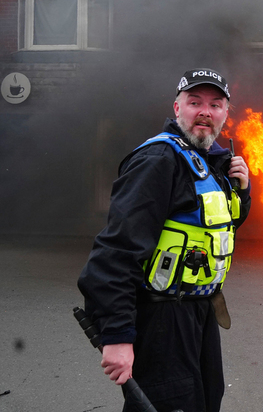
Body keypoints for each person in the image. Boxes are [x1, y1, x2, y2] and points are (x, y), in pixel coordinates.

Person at [78, 68, 251, 412]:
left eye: (216, 104)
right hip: (162, 320)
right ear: (177, 108)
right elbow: (116, 252)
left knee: (204, 401)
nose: (205, 111)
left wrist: (241, 192)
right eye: (195, 102)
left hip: (199, 314)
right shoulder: (158, 160)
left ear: (225, 114)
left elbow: (213, 229)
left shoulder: (210, 160)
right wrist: (117, 336)